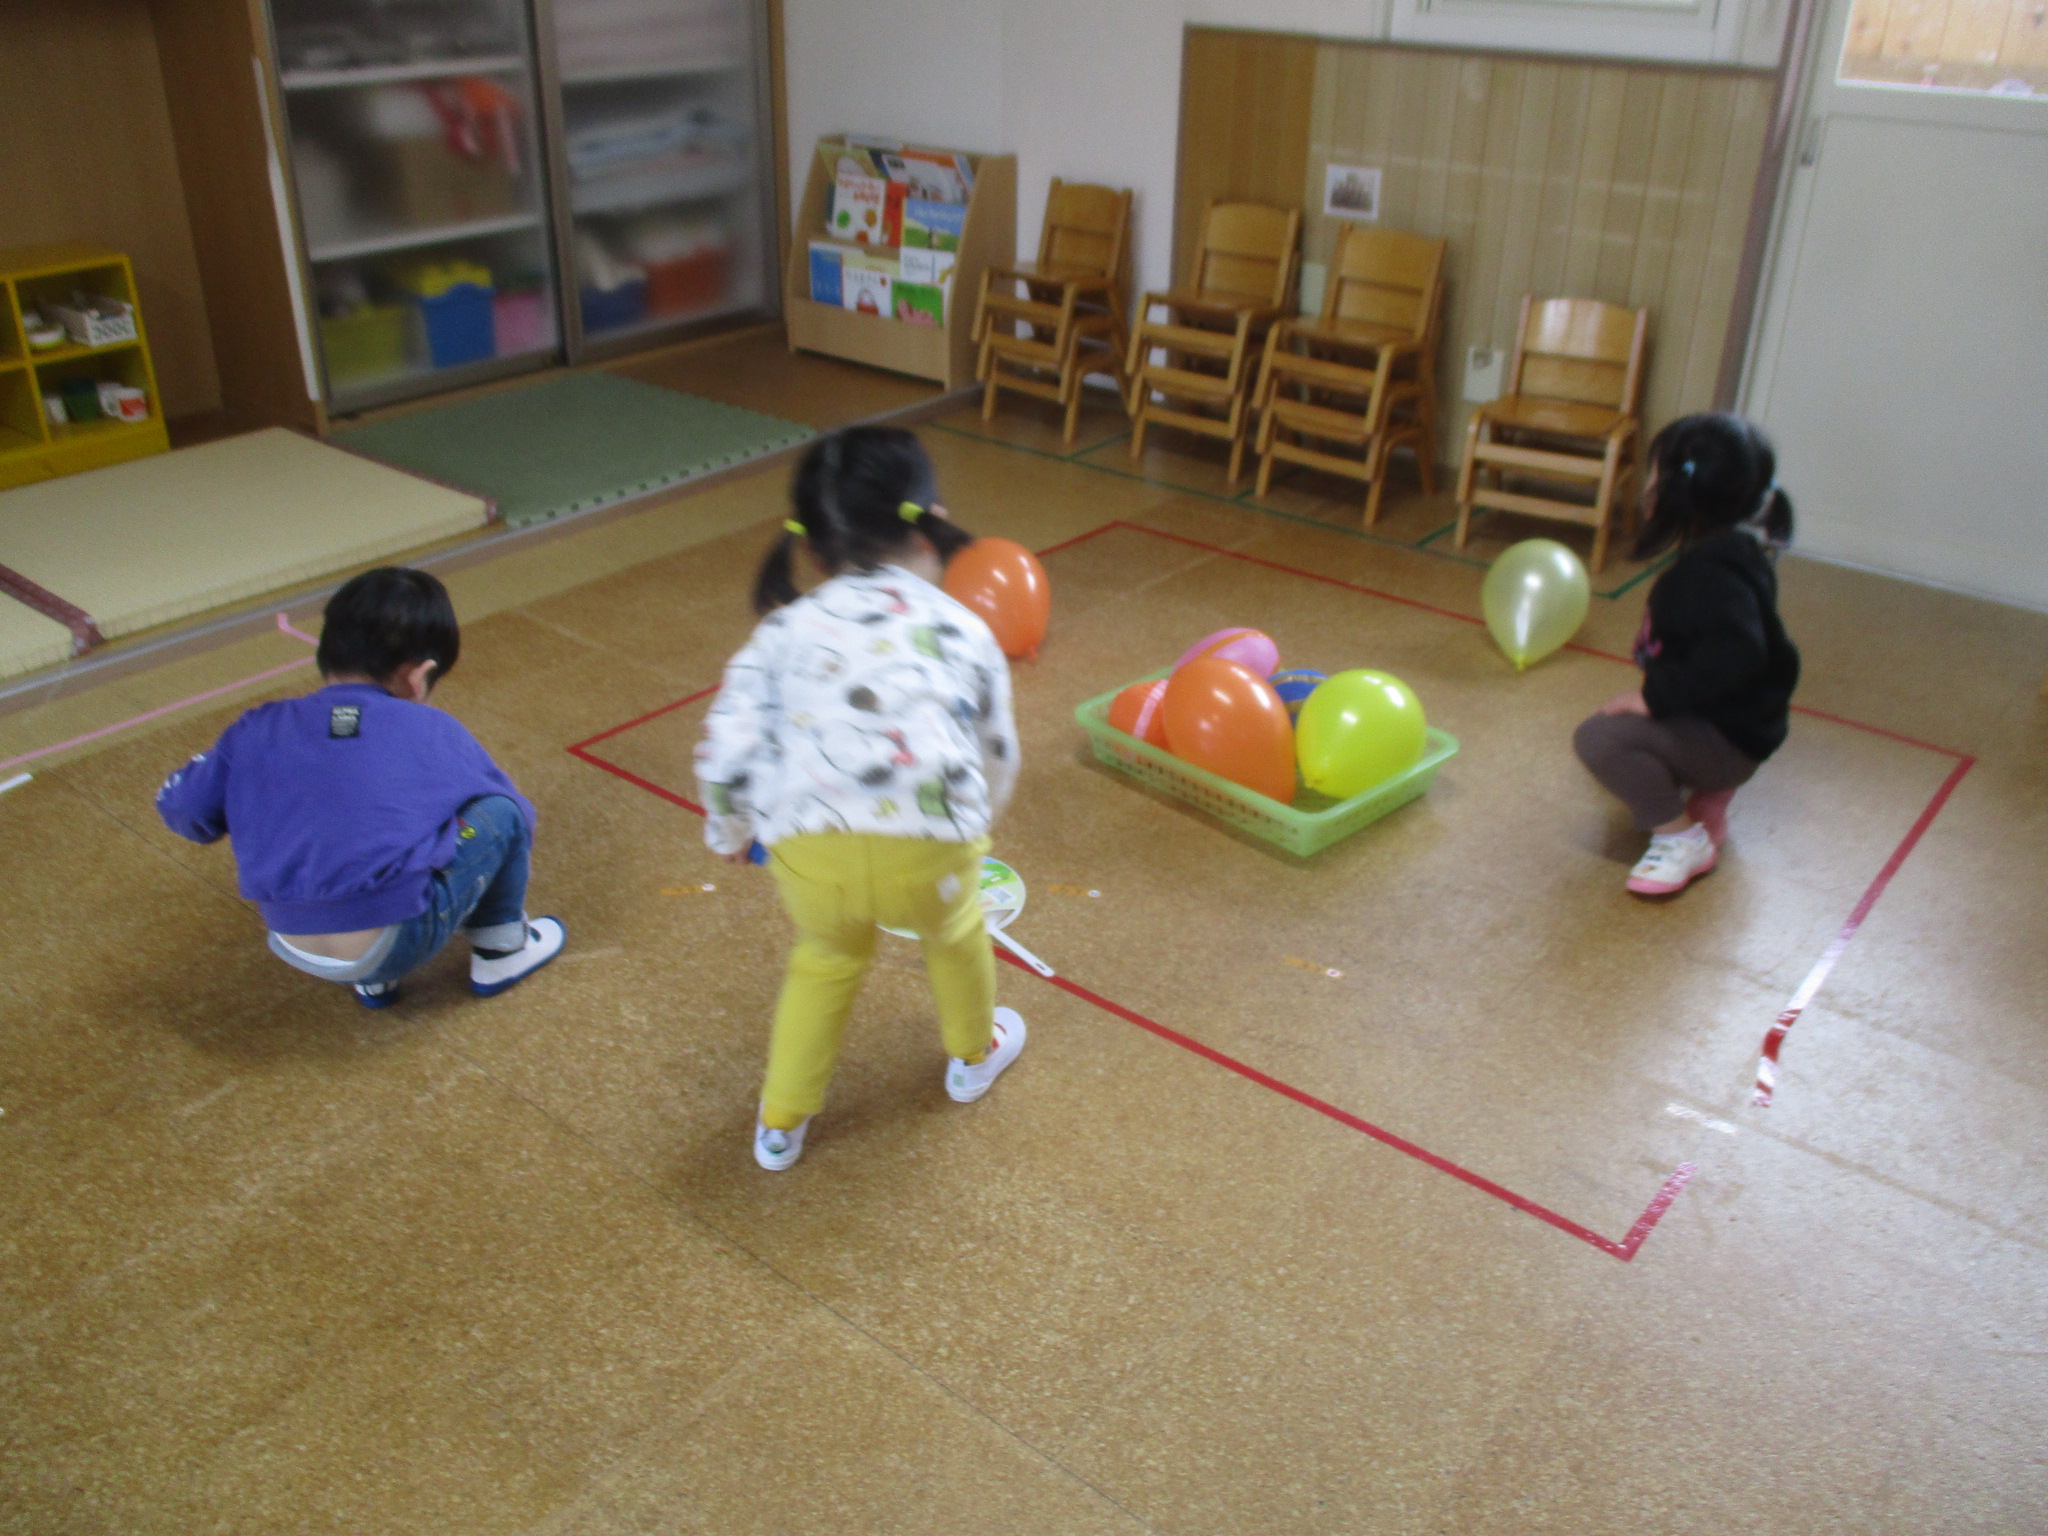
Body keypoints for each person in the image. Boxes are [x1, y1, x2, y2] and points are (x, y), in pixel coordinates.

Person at [696, 427, 1025, 1171]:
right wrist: (976, 824)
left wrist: (732, 832)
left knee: (825, 959)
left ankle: (780, 1124)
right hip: (932, 849)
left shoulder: (780, 633)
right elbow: (997, 752)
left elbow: (726, 749)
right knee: (955, 932)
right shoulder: (964, 627)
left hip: (811, 852)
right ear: (933, 521)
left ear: (811, 551)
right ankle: (973, 1057)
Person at [155, 567, 564, 1007]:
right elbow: (517, 817)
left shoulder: (257, 726)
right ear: (419, 675)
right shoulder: (429, 727)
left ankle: (374, 984)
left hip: (291, 941)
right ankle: (502, 950)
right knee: (498, 811)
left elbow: (184, 810)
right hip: (395, 942)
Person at [1573, 413, 1801, 896]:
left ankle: (1680, 839)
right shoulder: (1735, 550)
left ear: (1676, 491)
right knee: (1628, 727)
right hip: (1740, 726)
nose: (1647, 485)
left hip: (1730, 738)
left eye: (1654, 473)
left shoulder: (1705, 577)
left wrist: (1655, 699)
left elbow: (1738, 655)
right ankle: (1714, 789)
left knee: (1599, 740)